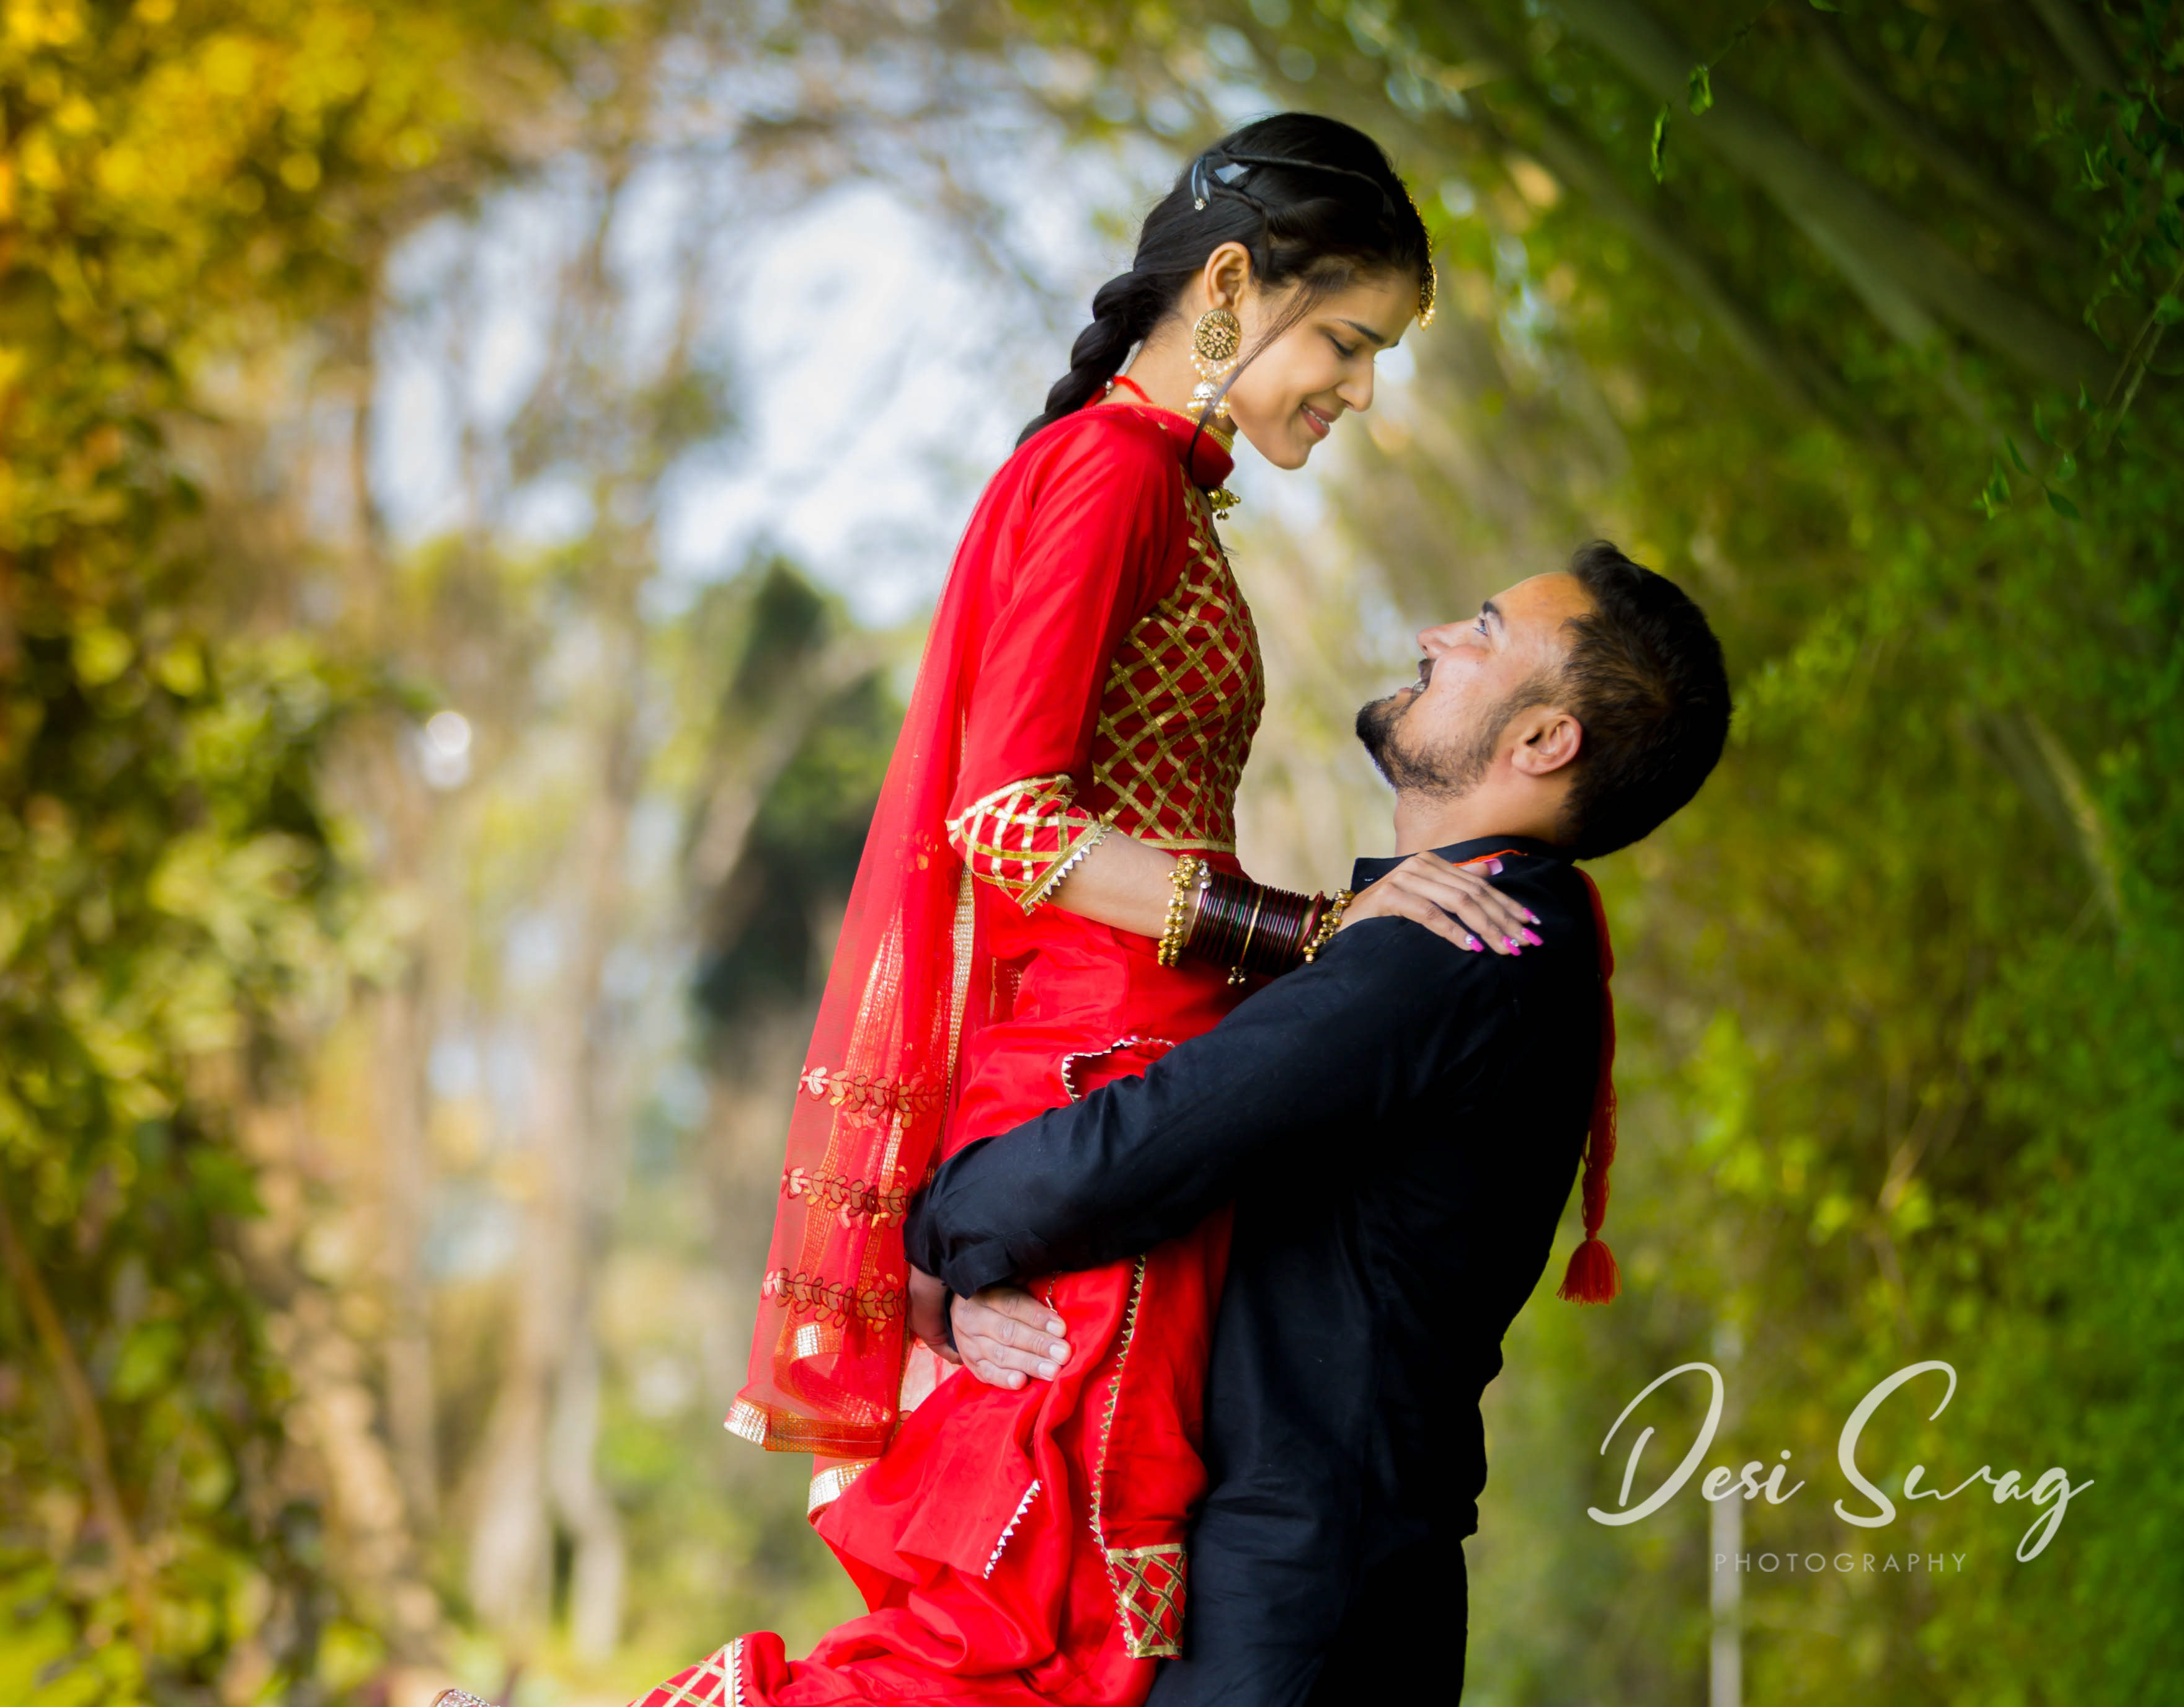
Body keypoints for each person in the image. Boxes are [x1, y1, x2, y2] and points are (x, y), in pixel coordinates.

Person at [615, 115, 1542, 1707]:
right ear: (1231, 288)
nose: (1361, 390)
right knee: (1014, 1642)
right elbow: (1010, 823)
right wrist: (1317, 938)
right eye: (1347, 341)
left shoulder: (1161, 490)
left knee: (1065, 1645)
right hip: (1095, 1096)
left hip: (1138, 1107)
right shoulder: (1112, 477)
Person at [905, 544, 1733, 1706]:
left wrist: (934, 1227)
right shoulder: (1497, 930)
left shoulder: (1461, 943)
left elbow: (1140, 1146)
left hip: (1290, 1617)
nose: (1436, 637)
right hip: (1326, 1591)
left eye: (1483, 631)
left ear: (1545, 740)